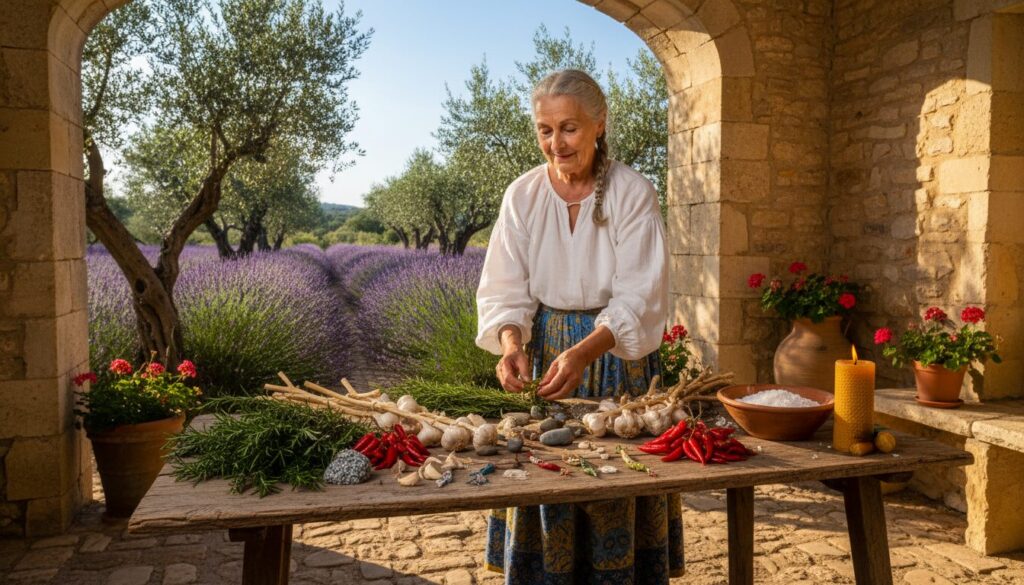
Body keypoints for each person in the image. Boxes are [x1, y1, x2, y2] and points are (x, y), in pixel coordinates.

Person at [475, 69, 682, 584]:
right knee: (546, 476)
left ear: (599, 123)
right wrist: (511, 343)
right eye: (545, 130)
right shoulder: (521, 196)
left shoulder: (632, 193)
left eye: (568, 128)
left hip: (617, 363)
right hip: (548, 355)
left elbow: (640, 293)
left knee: (615, 483)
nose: (556, 143)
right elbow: (505, 286)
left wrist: (587, 351)